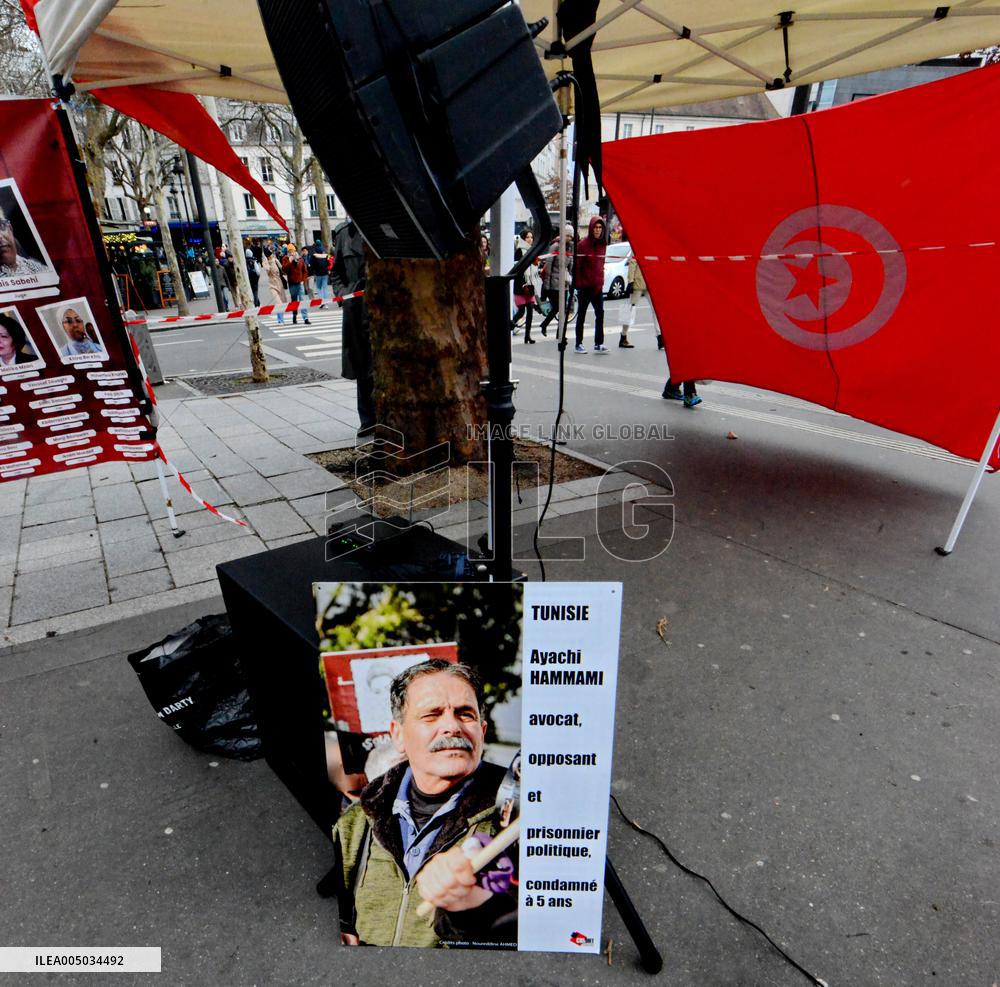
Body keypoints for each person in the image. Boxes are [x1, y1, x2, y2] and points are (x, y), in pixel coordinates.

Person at [331, 661, 516, 948]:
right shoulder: (356, 821)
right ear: (398, 735)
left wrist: (478, 905)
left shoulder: (516, 820)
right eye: (432, 715)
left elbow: (538, 926)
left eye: (465, 714)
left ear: (482, 730)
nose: (451, 726)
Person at [331, 219, 373, 432]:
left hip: (383, 308)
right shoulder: (344, 234)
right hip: (356, 309)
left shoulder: (383, 225)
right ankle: (367, 419)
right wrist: (343, 294)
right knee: (362, 364)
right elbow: (336, 272)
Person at [573, 215, 608, 353]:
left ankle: (598, 343)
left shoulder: (603, 244)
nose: (598, 230)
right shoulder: (582, 245)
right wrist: (579, 284)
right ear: (591, 228)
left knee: (600, 314)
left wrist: (601, 280)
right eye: (596, 227)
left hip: (597, 287)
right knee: (581, 315)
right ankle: (578, 343)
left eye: (600, 227)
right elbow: (577, 267)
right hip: (585, 287)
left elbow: (601, 264)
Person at [537, 223, 574, 338]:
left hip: (564, 283)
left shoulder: (570, 247)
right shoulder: (555, 246)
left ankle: (560, 333)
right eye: (566, 235)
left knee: (563, 309)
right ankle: (545, 325)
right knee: (558, 307)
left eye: (570, 236)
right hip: (554, 283)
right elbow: (548, 266)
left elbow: (570, 266)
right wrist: (547, 286)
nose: (568, 238)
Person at [510, 229, 534, 332]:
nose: (530, 239)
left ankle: (527, 336)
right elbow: (517, 269)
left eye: (531, 237)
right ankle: (510, 325)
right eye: (527, 237)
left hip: (530, 284)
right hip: (520, 285)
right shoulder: (519, 251)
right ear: (523, 238)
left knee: (530, 311)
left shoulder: (532, 251)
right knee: (521, 311)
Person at [281, 244, 311, 325]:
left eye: (293, 251)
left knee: (302, 300)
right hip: (292, 283)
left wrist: (303, 280)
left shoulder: (300, 259)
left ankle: (306, 318)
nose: (292, 253)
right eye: (290, 251)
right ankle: (294, 315)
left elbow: (305, 271)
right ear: (288, 251)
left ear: (295, 251)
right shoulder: (286, 258)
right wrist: (290, 261)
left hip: (300, 283)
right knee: (294, 301)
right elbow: (284, 270)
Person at [263, 246, 287, 324]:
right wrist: (267, 261)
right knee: (278, 302)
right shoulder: (265, 262)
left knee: (281, 303)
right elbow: (267, 269)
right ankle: (281, 320)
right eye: (269, 255)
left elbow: (283, 269)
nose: (271, 256)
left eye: (271, 254)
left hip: (279, 283)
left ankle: (280, 318)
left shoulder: (276, 260)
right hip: (272, 284)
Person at [310, 239, 330, 304]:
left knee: (318, 288)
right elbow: (328, 263)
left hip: (318, 273)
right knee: (325, 288)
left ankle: (321, 302)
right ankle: (326, 302)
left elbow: (312, 264)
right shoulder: (325, 253)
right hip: (325, 273)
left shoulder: (314, 254)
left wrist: (313, 271)